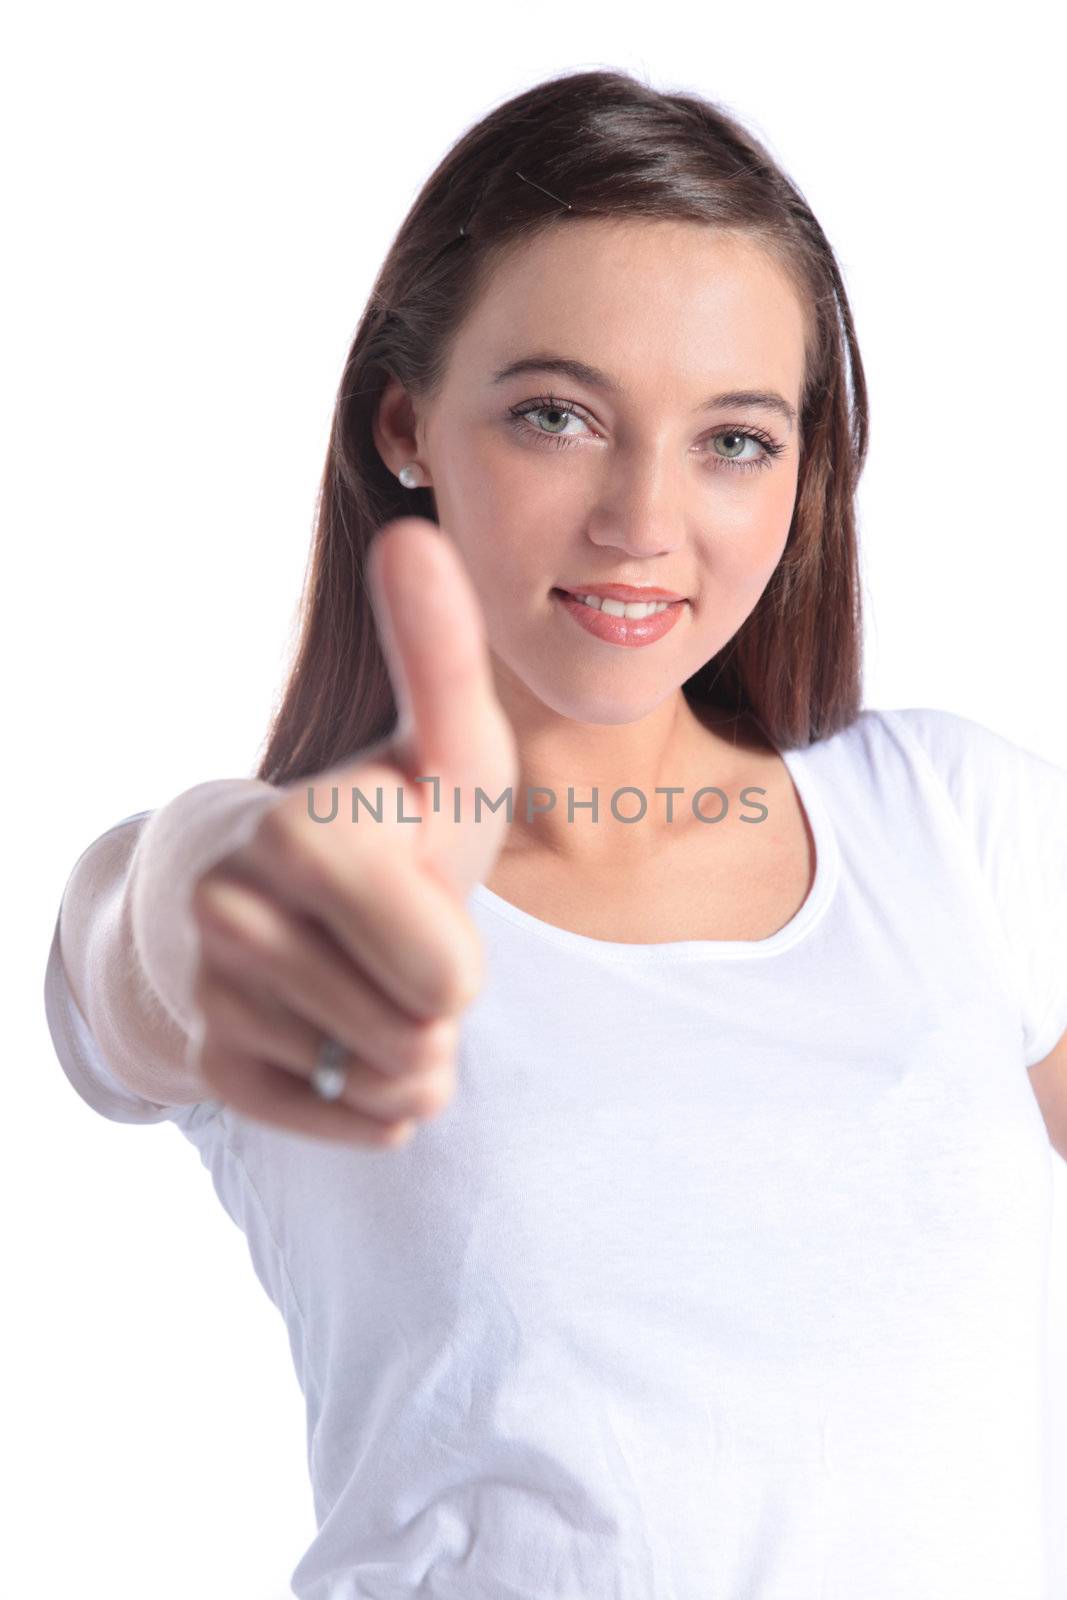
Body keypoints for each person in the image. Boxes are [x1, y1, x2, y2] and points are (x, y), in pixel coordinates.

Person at [43, 66, 1067, 1600]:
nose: (645, 520)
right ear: (408, 423)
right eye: (558, 416)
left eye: (733, 439)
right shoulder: (320, 886)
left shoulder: (950, 822)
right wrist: (202, 872)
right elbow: (123, 953)